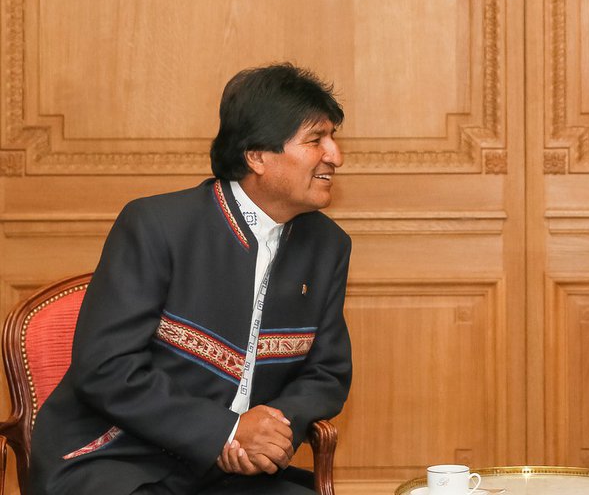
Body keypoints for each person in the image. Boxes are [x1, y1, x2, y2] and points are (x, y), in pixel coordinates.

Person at [30, 63, 353, 495]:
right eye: (316, 140)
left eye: (333, 138)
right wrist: (225, 430)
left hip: (235, 472)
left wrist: (269, 430)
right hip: (121, 460)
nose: (335, 155)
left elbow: (326, 373)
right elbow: (108, 369)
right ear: (256, 156)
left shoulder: (327, 245)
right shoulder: (157, 225)